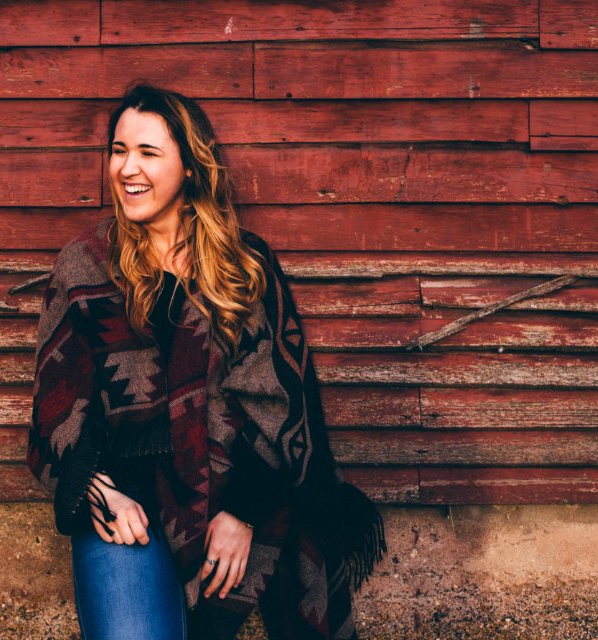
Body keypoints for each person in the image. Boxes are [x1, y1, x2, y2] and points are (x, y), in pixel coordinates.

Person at [28, 82, 387, 640]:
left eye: (149, 153)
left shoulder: (244, 267)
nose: (127, 169)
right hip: (126, 505)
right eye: (118, 150)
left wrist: (244, 512)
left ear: (191, 167)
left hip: (232, 489)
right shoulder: (82, 267)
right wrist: (102, 492)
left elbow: (283, 401)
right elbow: (56, 410)